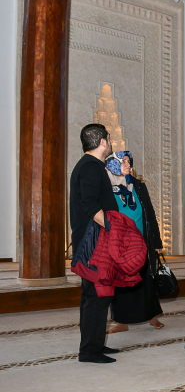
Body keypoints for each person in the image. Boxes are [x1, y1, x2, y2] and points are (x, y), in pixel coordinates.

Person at [69, 124, 119, 363]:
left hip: (94, 240)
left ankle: (94, 344)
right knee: (96, 296)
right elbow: (89, 204)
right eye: (109, 139)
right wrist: (113, 227)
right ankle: (90, 351)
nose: (111, 143)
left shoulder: (90, 165)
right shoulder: (90, 166)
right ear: (102, 142)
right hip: (94, 242)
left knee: (95, 295)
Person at [104, 152, 165, 334]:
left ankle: (152, 316)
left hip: (142, 240)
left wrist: (156, 241)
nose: (127, 164)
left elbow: (150, 213)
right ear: (113, 165)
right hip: (120, 243)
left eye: (128, 161)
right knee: (122, 282)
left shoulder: (138, 185)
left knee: (146, 278)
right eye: (123, 161)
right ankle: (122, 321)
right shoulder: (106, 187)